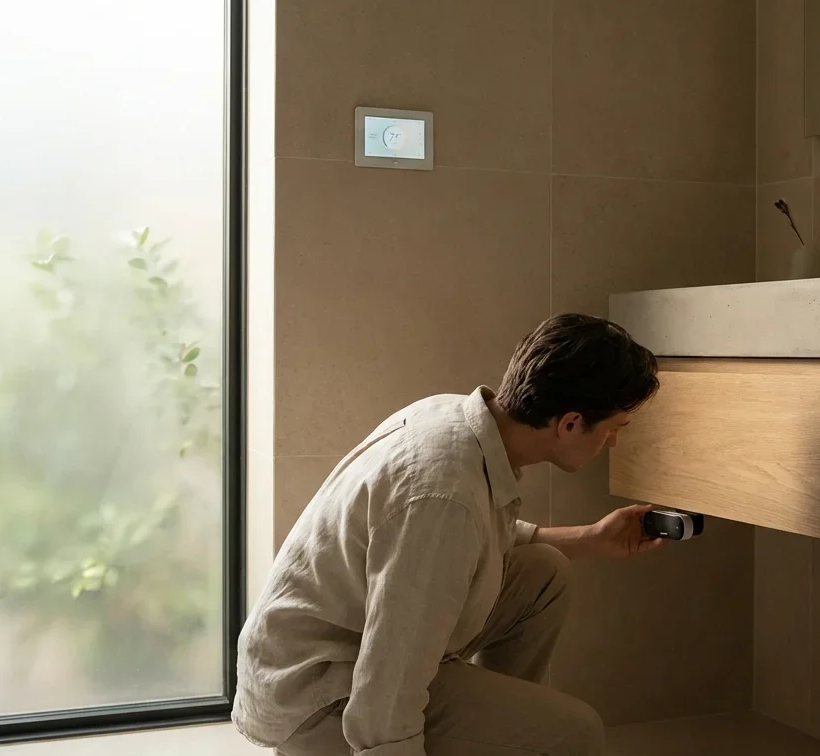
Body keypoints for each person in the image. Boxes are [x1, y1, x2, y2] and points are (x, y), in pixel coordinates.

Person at [233, 313, 667, 756]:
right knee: (575, 733)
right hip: (319, 699)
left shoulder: (454, 416)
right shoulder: (444, 497)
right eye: (614, 428)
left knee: (544, 573)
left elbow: (464, 538)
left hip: (334, 652)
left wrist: (591, 538)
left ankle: (493, 740)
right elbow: (385, 689)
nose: (612, 441)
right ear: (571, 423)